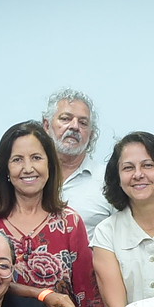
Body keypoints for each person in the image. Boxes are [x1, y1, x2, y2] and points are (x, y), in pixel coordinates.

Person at [0, 120, 109, 307]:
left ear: (50, 165)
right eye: (17, 159)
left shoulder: (69, 222)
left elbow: (89, 299)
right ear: (5, 168)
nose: (28, 168)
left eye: (36, 158)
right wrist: (42, 295)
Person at [91, 131, 154, 307]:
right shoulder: (106, 232)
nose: (138, 174)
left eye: (148, 165)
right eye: (128, 168)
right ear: (118, 177)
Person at [43, 89, 112, 229]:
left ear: (91, 134)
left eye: (83, 123)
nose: (75, 126)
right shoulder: (30, 175)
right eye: (65, 119)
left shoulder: (108, 180)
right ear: (47, 126)